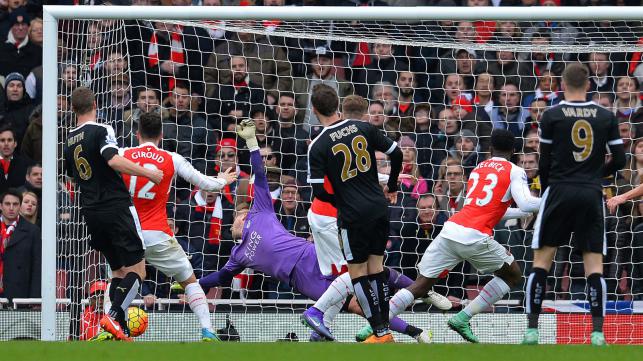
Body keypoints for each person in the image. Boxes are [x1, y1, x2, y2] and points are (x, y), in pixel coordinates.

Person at [198, 120, 431, 343]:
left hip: (312, 254)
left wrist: (251, 142)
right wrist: (194, 283)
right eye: (234, 220)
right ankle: (414, 332)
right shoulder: (238, 255)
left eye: (238, 215)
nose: (236, 219)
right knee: (355, 303)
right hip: (300, 278)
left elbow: (259, 173)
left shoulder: (260, 211)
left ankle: (423, 289)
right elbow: (220, 278)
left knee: (368, 270)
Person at [386, 129, 541, 344]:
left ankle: (376, 323)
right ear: (514, 151)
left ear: (489, 149)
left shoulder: (479, 168)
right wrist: (551, 202)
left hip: (451, 230)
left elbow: (491, 209)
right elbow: (525, 203)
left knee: (421, 285)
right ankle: (463, 317)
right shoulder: (515, 170)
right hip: (475, 236)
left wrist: (526, 211)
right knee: (513, 275)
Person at [523, 63, 626, 346]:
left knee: (541, 262)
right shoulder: (606, 115)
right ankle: (597, 334)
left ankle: (531, 330)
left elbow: (543, 161)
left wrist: (547, 190)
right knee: (594, 266)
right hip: (591, 192)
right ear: (589, 85)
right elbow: (620, 161)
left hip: (558, 189)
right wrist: (594, 174)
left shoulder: (552, 114)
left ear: (562, 85)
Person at [118, 112, 237, 341]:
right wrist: (222, 180)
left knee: (119, 278)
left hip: (128, 231)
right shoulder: (171, 158)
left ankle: (111, 325)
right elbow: (204, 183)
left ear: (137, 134)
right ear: (161, 136)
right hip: (158, 233)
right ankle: (207, 330)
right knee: (189, 280)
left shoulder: (123, 154)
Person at [63, 87, 163, 341]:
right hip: (115, 206)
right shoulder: (101, 130)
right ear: (95, 103)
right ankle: (114, 314)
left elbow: (71, 175)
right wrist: (148, 172)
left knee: (118, 271)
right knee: (139, 271)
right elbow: (113, 159)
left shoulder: (69, 139)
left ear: (73, 109)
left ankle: (115, 327)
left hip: (91, 212)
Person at [305, 84, 403, 343]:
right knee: (377, 268)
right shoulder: (365, 128)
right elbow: (397, 153)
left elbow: (318, 191)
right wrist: (391, 186)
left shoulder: (318, 144)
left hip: (352, 216)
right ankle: (384, 332)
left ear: (314, 111)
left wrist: (342, 201)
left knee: (357, 272)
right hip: (379, 208)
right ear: (337, 103)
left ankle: (380, 330)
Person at [0, 189, 41, 303]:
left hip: (19, 293)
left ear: (20, 206)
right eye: (7, 204)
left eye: (15, 204)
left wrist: (35, 300)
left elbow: (37, 267)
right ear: (1, 206)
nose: (11, 208)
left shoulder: (33, 231)